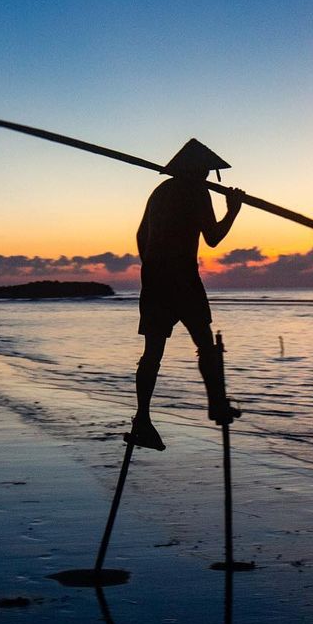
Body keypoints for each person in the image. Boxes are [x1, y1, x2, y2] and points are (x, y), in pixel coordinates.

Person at [128, 138, 244, 450]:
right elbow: (214, 239)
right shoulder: (196, 191)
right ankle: (216, 403)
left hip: (154, 278)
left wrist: (152, 266)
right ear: (193, 169)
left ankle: (142, 418)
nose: (207, 175)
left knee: (153, 352)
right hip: (181, 277)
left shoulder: (159, 192)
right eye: (204, 169)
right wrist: (233, 210)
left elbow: (141, 236)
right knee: (205, 343)